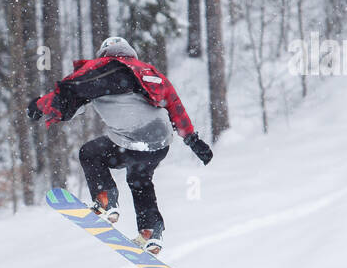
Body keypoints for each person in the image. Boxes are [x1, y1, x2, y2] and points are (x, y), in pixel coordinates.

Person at [27, 36, 213, 255]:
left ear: (104, 53)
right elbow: (174, 105)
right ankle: (151, 231)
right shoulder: (150, 73)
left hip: (132, 137)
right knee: (139, 178)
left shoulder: (99, 68)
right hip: (159, 141)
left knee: (90, 154)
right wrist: (193, 140)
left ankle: (105, 200)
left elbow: (69, 94)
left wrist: (40, 106)